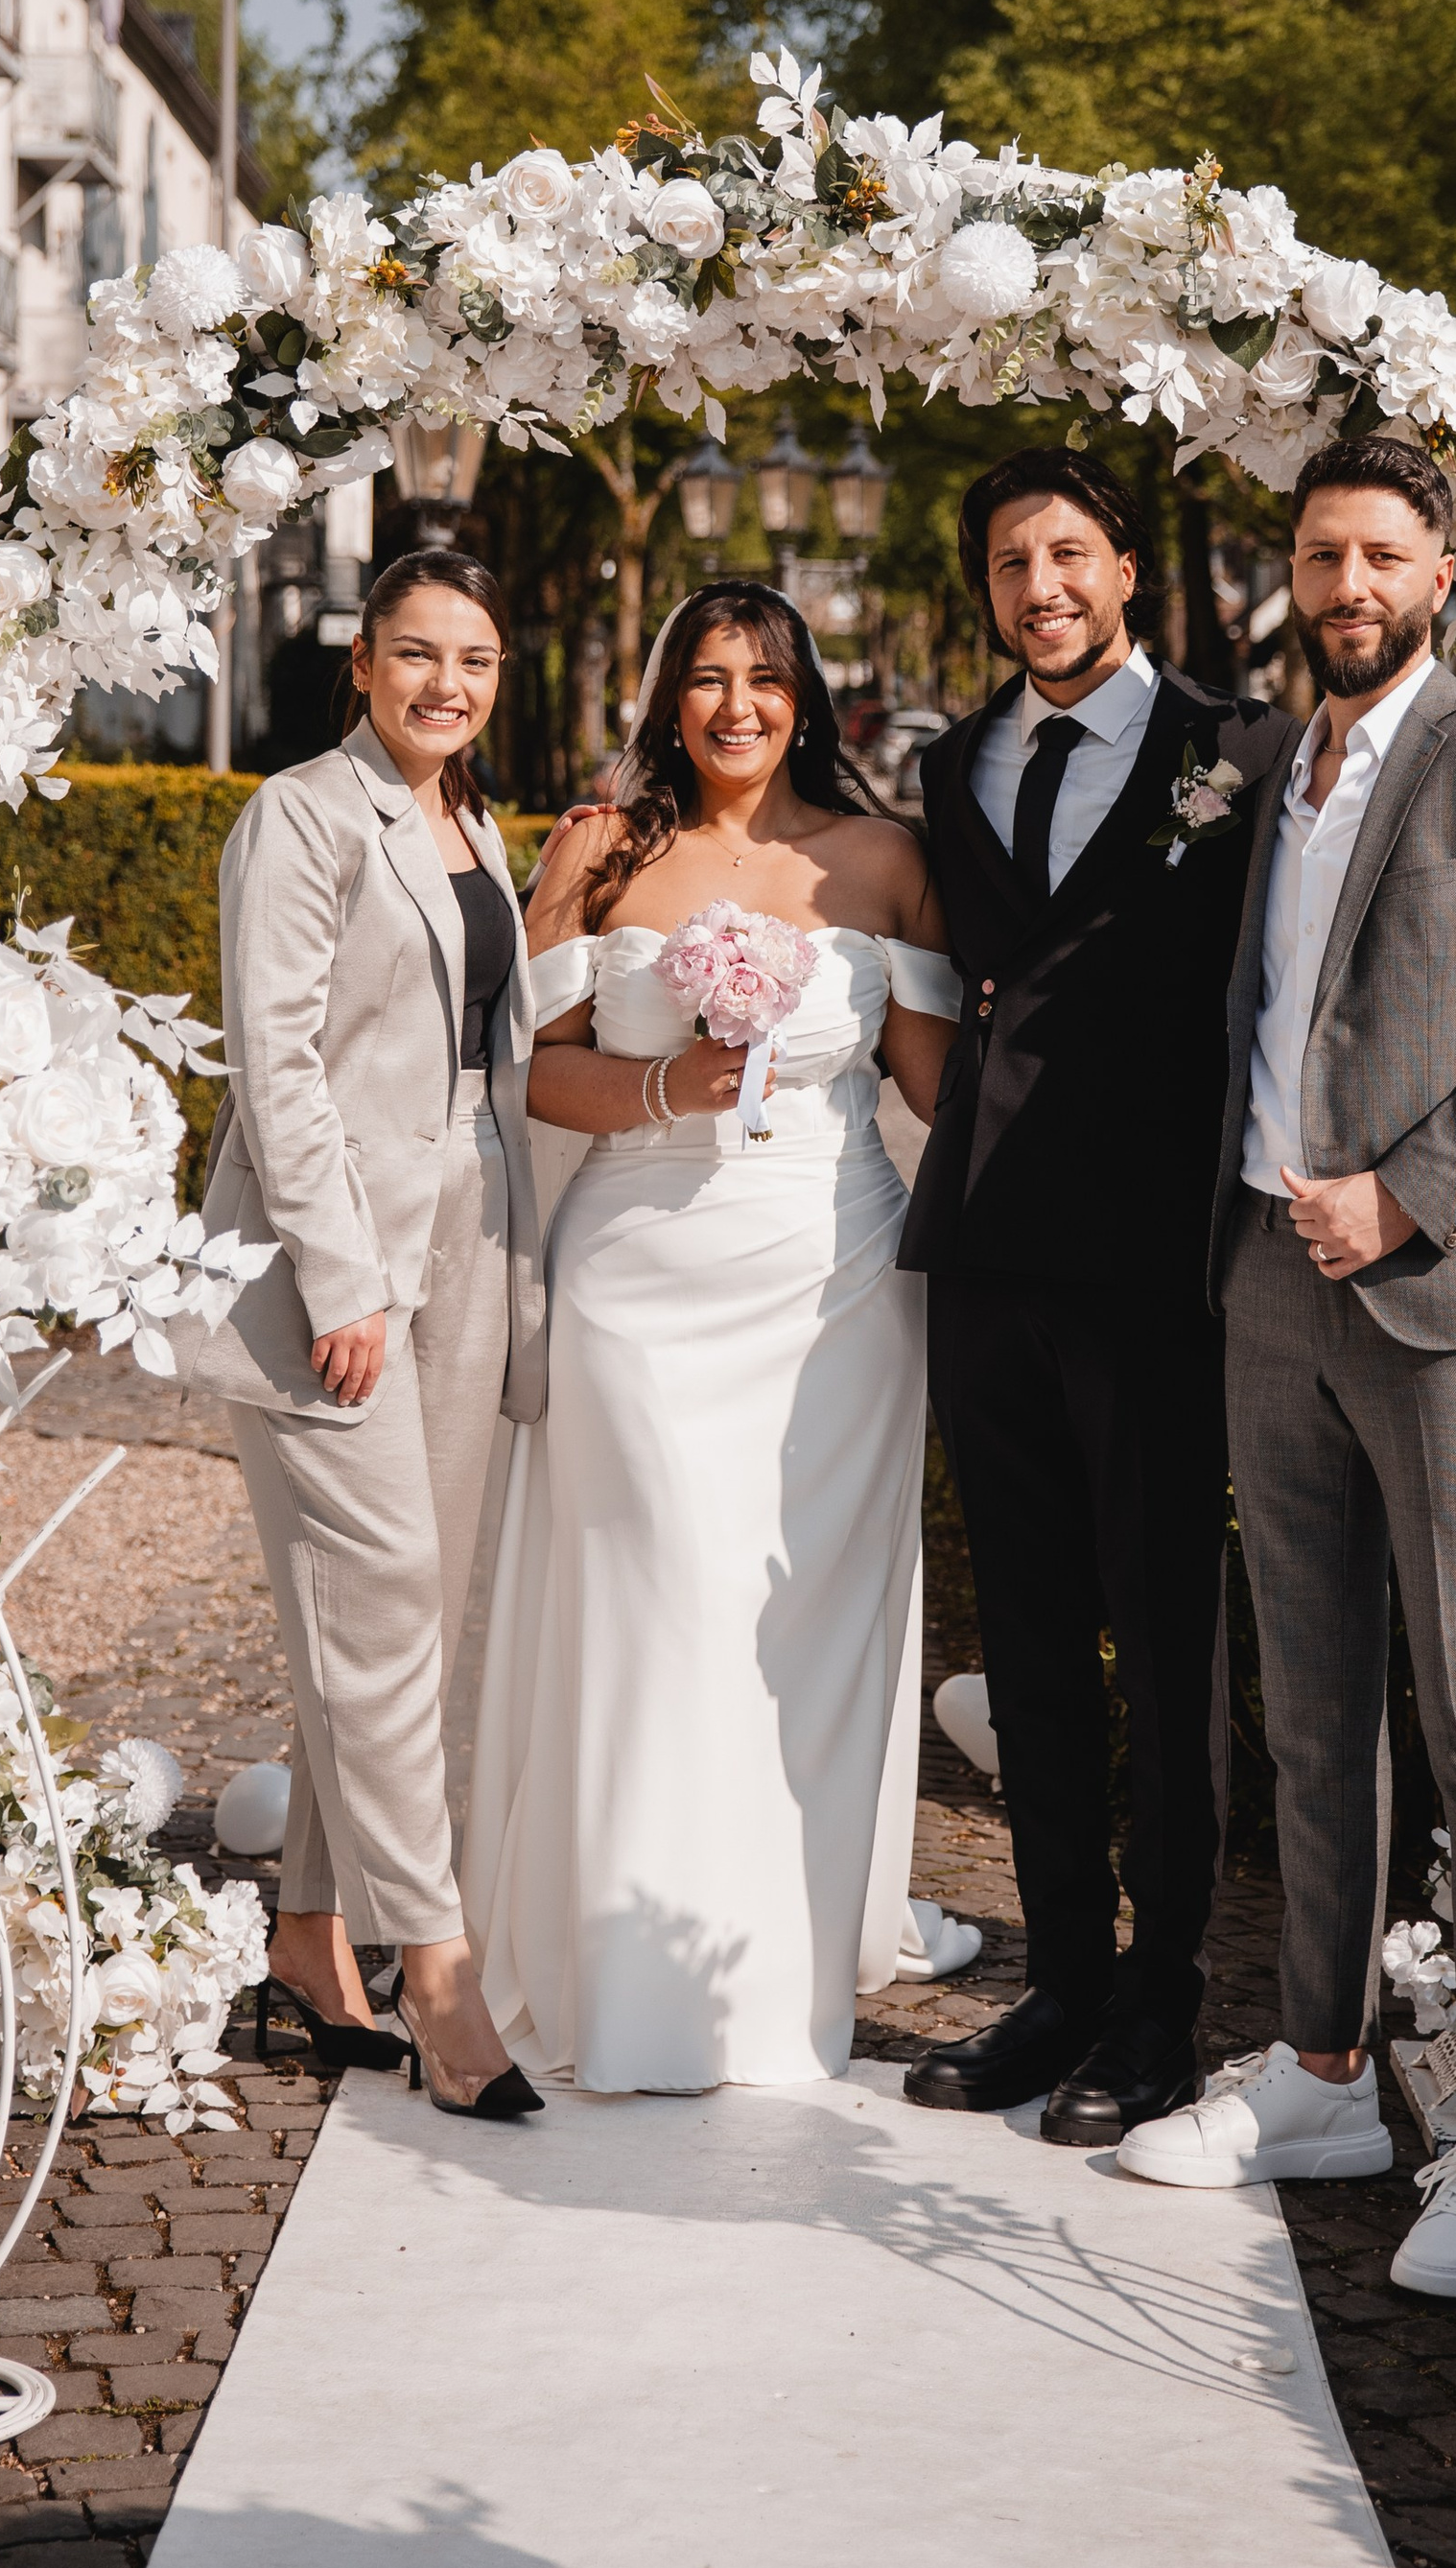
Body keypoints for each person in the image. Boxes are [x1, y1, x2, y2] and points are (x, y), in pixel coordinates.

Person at [1115, 433, 1456, 2298]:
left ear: (1441, 577)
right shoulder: (1270, 766)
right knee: (1309, 1710)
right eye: (1320, 551)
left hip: (1435, 1300)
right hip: (1265, 1283)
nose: (1344, 585)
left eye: (1379, 556)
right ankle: (1324, 2074)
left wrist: (1403, 1196)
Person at [461, 581, 962, 2091]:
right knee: (659, 1607)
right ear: (667, 696)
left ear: (807, 695)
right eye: (706, 679)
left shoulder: (886, 862)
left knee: (797, 1623)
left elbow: (940, 1086)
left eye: (764, 678)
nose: (736, 706)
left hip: (840, 1282)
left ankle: (774, 1976)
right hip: (640, 1278)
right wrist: (679, 1088)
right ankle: (624, 1976)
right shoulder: (598, 852)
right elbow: (533, 1076)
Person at [897, 450, 1296, 2147]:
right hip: (985, 1258)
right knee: (1036, 1637)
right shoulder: (951, 759)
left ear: (1125, 568)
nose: (1039, 585)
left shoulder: (1240, 751)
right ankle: (1059, 1980)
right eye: (1008, 561)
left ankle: (1162, 1998)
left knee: (1168, 1639)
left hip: (1150, 1265)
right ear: (982, 587)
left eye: (1068, 553)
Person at [184, 546, 550, 2124]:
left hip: (471, 1224)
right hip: (342, 1255)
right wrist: (340, 1277)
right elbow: (276, 1065)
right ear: (362, 659)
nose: (445, 685)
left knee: (411, 1614)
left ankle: (311, 1937)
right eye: (417, 655)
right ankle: (439, 1968)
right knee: (388, 1596)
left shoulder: (475, 823)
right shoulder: (301, 814)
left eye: (472, 661)